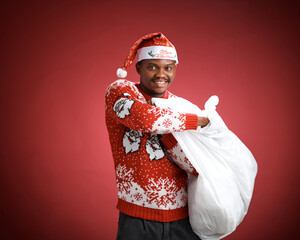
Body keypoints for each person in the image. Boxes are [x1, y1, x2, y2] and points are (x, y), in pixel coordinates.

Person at [105, 32, 209, 240]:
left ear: (175, 70)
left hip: (184, 219)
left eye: (168, 68)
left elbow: (197, 163)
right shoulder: (120, 91)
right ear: (138, 68)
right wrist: (197, 121)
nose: (161, 74)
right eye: (152, 66)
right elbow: (145, 119)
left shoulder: (180, 105)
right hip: (137, 219)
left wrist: (170, 137)